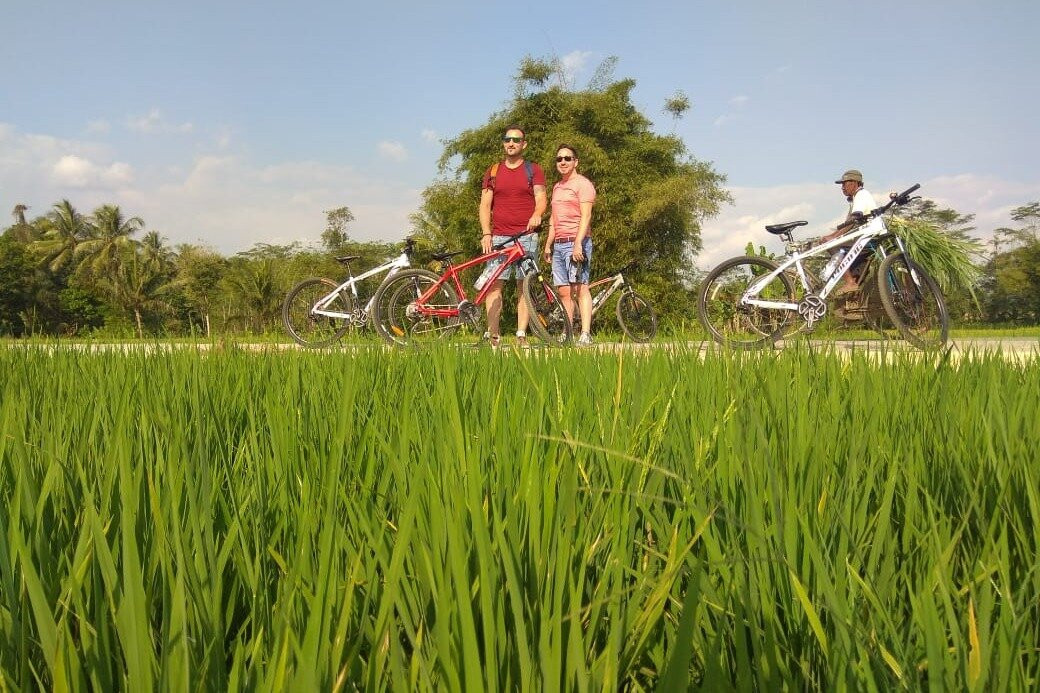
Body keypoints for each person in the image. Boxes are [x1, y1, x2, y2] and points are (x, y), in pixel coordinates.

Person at [478, 125, 547, 347]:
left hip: (527, 236)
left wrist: (537, 214)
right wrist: (486, 233)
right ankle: (494, 335)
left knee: (523, 285)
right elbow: (485, 204)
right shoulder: (493, 171)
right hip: (499, 237)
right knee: (494, 285)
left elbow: (541, 198)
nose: (511, 143)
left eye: (516, 140)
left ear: (523, 144)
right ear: (503, 143)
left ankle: (520, 335)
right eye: (507, 139)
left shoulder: (533, 169)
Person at [542, 144, 596, 345]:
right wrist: (548, 244)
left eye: (567, 158)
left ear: (575, 162)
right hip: (559, 244)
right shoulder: (557, 187)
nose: (563, 162)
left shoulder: (583, 184)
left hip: (577, 242)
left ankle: (586, 333)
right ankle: (568, 332)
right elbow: (554, 219)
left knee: (580, 287)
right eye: (559, 159)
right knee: (564, 291)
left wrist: (578, 244)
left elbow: (586, 216)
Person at [821, 169, 883, 296]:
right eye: (841, 185)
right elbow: (848, 224)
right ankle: (855, 286)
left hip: (869, 237)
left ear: (856, 183)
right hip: (865, 237)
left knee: (834, 246)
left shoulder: (861, 195)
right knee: (838, 248)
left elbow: (853, 221)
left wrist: (833, 238)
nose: (842, 187)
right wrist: (832, 236)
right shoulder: (855, 199)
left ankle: (850, 282)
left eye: (845, 183)